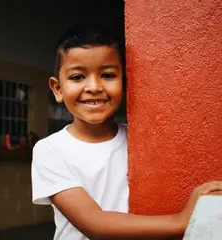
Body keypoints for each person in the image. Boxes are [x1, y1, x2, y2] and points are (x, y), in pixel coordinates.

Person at [31, 24, 222, 240]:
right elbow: (94, 224)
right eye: (77, 77)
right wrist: (181, 220)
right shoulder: (50, 150)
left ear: (125, 83)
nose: (94, 86)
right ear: (58, 89)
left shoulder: (138, 140)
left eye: (107, 75)